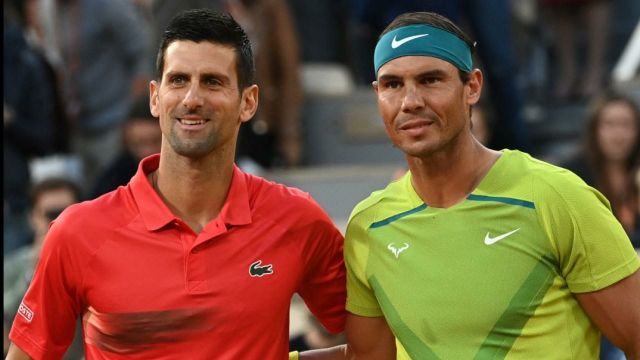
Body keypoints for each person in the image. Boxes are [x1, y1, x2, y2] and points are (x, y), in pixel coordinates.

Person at [6, 9, 346, 359]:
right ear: (155, 97)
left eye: (212, 81)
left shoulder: (295, 218)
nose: (191, 99)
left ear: (249, 102)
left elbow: (371, 342)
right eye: (178, 80)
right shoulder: (78, 232)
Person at [342, 11, 640, 359]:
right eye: (393, 85)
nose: (410, 102)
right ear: (377, 94)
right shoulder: (368, 226)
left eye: (430, 80)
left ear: (473, 87)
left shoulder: (555, 196)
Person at [4, 177, 83, 360]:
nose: (58, 222)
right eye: (50, 213)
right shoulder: (12, 267)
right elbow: (7, 323)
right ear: (33, 217)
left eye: (66, 213)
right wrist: (34, 273)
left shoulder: (92, 264)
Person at [90, 96, 162, 198]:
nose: (147, 151)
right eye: (139, 143)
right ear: (128, 140)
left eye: (155, 142)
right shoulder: (113, 179)